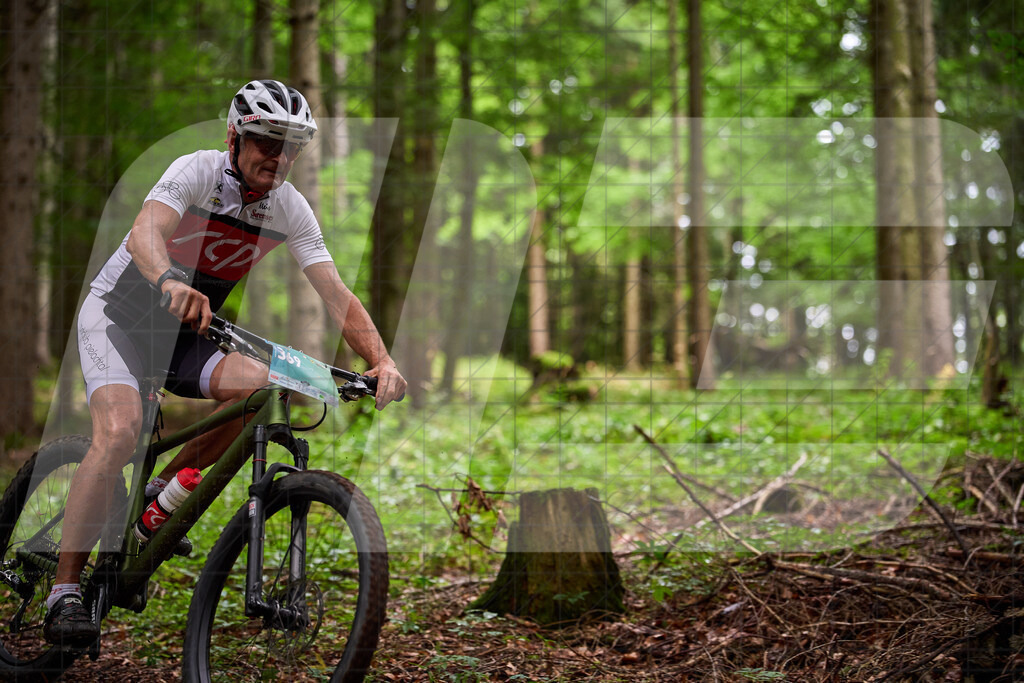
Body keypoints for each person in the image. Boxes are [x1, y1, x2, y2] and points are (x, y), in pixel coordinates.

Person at [45, 79, 407, 647]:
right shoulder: (197, 170)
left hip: (190, 332)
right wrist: (167, 278)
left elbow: (335, 292)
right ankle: (64, 592)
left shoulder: (288, 206)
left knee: (263, 389)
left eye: (291, 146)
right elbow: (145, 231)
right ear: (235, 137)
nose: (279, 157)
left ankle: (158, 498)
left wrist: (381, 360)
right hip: (119, 317)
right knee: (118, 435)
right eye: (267, 141)